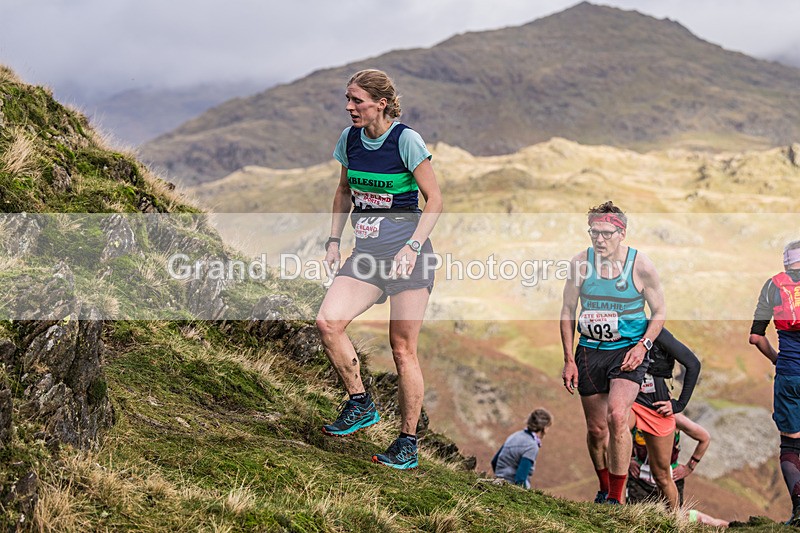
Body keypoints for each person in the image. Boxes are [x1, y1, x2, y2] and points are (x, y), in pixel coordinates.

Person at [315, 69, 442, 470]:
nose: (350, 107)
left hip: (409, 257)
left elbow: (435, 200)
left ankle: (406, 443)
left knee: (403, 350)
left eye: (357, 100)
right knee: (328, 322)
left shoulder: (406, 140)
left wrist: (412, 246)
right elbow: (343, 190)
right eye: (347, 100)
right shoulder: (349, 139)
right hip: (367, 256)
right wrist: (334, 241)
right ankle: (361, 403)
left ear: (380, 103)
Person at [560, 201, 666, 504]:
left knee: (618, 416)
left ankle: (616, 500)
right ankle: (605, 487)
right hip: (589, 351)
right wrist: (569, 359)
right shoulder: (580, 264)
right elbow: (567, 310)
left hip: (627, 352)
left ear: (622, 233)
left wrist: (643, 345)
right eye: (594, 232)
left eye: (606, 233)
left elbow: (659, 312)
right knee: (596, 430)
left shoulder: (640, 265)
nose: (599, 239)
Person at [749, 239, 800, 526]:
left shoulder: (774, 286)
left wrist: (777, 359)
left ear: (786, 262)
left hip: (790, 373)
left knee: (791, 446)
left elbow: (756, 337)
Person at [628, 328, 701, 509]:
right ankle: (615, 506)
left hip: (656, 408)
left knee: (661, 476)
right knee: (611, 430)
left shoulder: (657, 332)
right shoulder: (615, 328)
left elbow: (693, 364)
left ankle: (675, 522)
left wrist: (678, 405)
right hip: (628, 403)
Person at [628, 412, 709, 507]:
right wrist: (629, 460)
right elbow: (617, 432)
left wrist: (689, 468)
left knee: (671, 518)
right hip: (640, 479)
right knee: (638, 518)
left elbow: (705, 438)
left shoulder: (676, 417)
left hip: (671, 479)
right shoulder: (637, 412)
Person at [491, 409, 553, 488]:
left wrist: (499, 477)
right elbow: (520, 478)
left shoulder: (514, 436)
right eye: (548, 427)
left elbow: (494, 461)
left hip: (498, 483)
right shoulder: (531, 446)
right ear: (544, 428)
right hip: (511, 487)